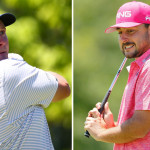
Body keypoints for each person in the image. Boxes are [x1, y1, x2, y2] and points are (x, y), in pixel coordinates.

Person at [84, 1, 150, 149]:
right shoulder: (140, 66)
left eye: (131, 31)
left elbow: (140, 127)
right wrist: (111, 126)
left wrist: (100, 133)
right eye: (120, 32)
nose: (124, 38)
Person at [0, 13, 70, 149]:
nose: (1, 40)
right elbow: (64, 88)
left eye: (2, 32)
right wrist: (34, 71)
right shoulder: (10, 69)